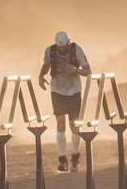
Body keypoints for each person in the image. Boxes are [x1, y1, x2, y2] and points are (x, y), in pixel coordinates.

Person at [37, 31, 92, 172]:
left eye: (64, 47)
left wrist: (75, 70)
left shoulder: (77, 50)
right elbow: (46, 65)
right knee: (60, 123)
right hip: (57, 90)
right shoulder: (50, 51)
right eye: (60, 47)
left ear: (69, 43)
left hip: (74, 91)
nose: (62, 49)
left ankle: (75, 157)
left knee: (74, 125)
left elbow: (88, 71)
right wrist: (41, 76)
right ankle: (62, 159)